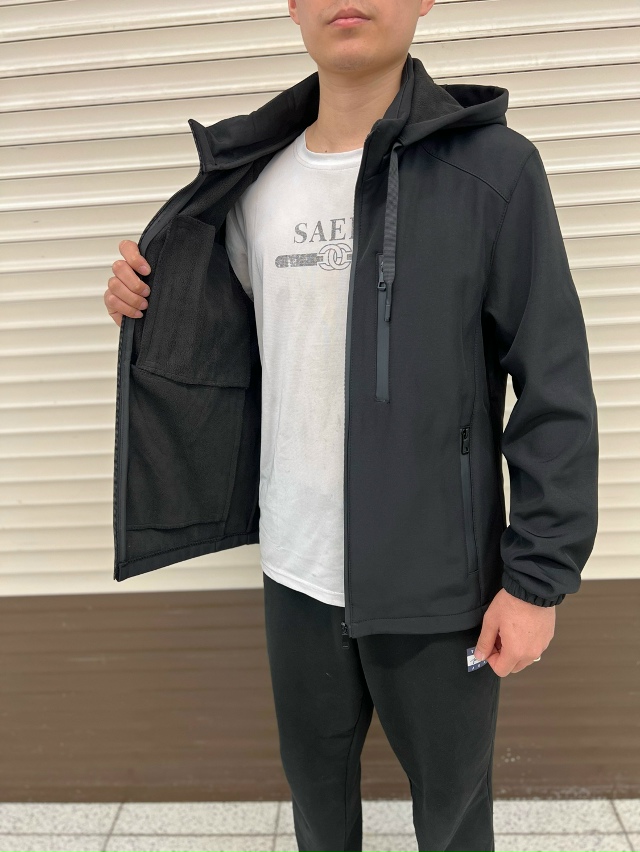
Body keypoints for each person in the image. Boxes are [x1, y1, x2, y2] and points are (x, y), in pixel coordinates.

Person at [104, 1, 599, 850]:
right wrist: (146, 300)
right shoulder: (250, 183)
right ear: (294, 5)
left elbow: (553, 383)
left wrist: (536, 581)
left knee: (454, 815)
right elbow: (236, 347)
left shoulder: (497, 171)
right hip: (295, 570)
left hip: (441, 583)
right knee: (317, 809)